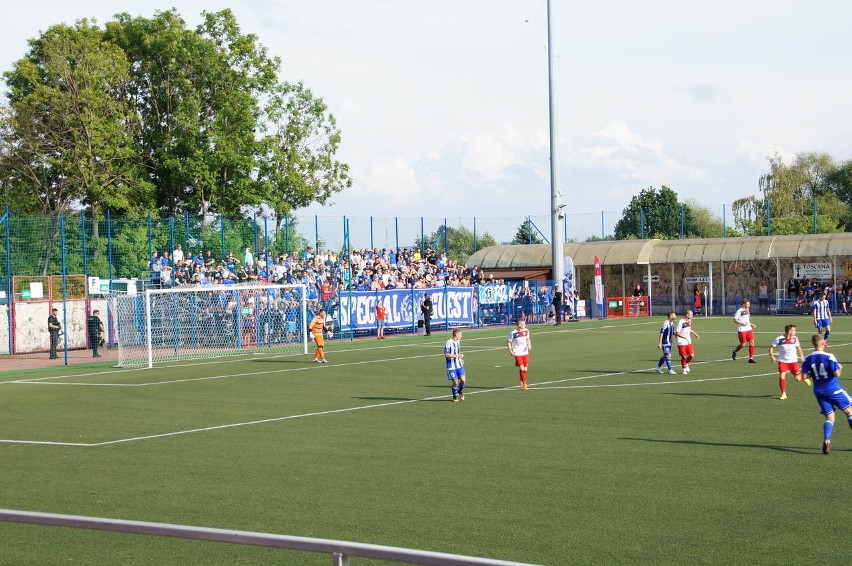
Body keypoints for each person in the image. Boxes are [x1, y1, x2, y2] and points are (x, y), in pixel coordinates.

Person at [801, 334, 852, 455]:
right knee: (849, 412)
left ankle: (827, 440)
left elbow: (803, 376)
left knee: (830, 418)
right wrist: (840, 367)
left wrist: (814, 373)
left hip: (819, 391)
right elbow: (837, 374)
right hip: (833, 390)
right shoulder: (829, 356)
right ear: (823, 343)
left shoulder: (807, 358)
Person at [769, 324, 805, 400]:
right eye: (794, 330)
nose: (795, 332)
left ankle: (805, 377)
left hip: (793, 362)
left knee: (798, 379)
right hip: (783, 361)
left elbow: (799, 348)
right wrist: (772, 356)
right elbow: (771, 347)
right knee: (782, 376)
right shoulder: (779, 339)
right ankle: (784, 394)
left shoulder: (795, 338)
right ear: (789, 331)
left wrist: (802, 357)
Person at [507, 318, 532, 390]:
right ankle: (524, 383)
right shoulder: (513, 333)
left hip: (525, 352)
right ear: (519, 325)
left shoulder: (526, 331)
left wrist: (529, 344)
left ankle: (521, 378)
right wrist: (511, 351)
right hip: (517, 352)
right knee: (522, 368)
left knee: (525, 369)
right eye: (523, 324)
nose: (525, 325)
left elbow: (528, 339)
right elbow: (509, 342)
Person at [674, 310, 700, 374]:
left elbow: (689, 329)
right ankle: (684, 369)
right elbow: (677, 332)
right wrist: (684, 337)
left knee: (691, 355)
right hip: (681, 342)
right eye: (691, 314)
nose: (692, 315)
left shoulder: (689, 321)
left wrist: (695, 334)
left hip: (688, 342)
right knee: (684, 356)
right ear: (687, 315)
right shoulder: (681, 322)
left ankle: (687, 364)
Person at [732, 298, 757, 363]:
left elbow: (747, 320)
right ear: (743, 304)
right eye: (747, 304)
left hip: (748, 329)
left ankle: (751, 358)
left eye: (749, 304)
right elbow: (734, 320)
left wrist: (751, 324)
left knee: (752, 341)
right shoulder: (739, 311)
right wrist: (742, 323)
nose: (749, 305)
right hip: (742, 330)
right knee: (743, 344)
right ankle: (735, 351)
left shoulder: (747, 310)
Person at [445, 328, 467, 402]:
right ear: (456, 335)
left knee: (463, 381)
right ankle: (455, 396)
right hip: (451, 366)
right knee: (455, 382)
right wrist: (458, 356)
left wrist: (460, 359)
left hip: (459, 365)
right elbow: (446, 354)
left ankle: (460, 391)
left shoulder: (458, 341)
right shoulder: (449, 342)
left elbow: (458, 352)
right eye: (460, 334)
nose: (461, 336)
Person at [655, 311, 677, 375]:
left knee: (665, 355)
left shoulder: (672, 323)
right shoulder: (665, 323)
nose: (675, 316)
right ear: (670, 316)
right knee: (668, 355)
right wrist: (660, 343)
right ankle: (670, 370)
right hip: (665, 342)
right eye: (674, 315)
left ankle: (658, 368)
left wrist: (676, 334)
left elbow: (672, 332)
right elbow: (661, 333)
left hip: (670, 342)